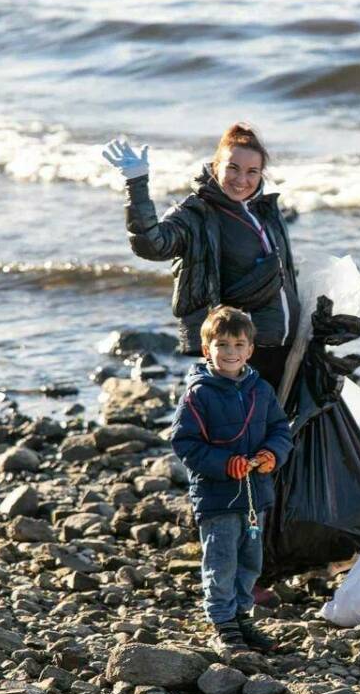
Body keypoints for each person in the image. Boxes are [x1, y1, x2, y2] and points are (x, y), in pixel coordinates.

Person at [103, 123, 300, 389]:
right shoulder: (195, 214)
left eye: (252, 171)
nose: (242, 180)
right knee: (242, 425)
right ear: (216, 165)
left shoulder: (265, 209)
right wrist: (136, 184)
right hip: (238, 349)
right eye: (233, 168)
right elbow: (152, 245)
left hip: (284, 343)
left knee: (282, 423)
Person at [170, 306, 293, 651]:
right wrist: (225, 464)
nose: (231, 353)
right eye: (222, 345)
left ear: (250, 350)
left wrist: (272, 454)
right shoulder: (199, 394)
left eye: (239, 345)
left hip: (256, 494)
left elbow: (280, 430)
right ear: (207, 349)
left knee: (250, 561)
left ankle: (241, 617)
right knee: (221, 561)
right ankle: (223, 623)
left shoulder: (260, 390)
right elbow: (185, 442)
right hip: (217, 496)